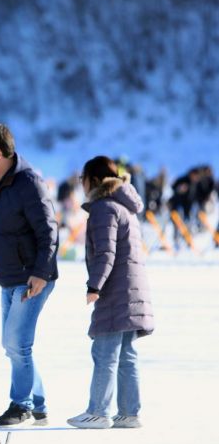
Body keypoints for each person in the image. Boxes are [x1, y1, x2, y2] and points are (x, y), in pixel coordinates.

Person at [0, 123, 59, 428]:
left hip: (32, 278)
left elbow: (49, 231)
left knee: (17, 344)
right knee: (14, 345)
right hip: (7, 277)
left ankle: (22, 405)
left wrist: (41, 273)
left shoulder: (28, 183)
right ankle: (39, 401)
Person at [67, 156, 154, 429]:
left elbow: (106, 252)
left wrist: (95, 285)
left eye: (83, 179)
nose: (81, 184)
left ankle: (99, 411)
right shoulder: (124, 206)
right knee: (126, 354)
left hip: (116, 289)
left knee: (105, 351)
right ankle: (129, 413)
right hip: (131, 288)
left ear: (93, 180)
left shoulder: (104, 208)